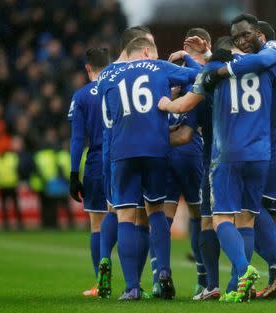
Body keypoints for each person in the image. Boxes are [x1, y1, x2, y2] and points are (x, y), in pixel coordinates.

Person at [204, 14, 276, 300]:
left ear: (260, 36)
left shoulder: (268, 59)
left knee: (248, 206)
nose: (242, 41)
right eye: (237, 38)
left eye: (246, 36)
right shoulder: (271, 57)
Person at [105, 37, 198, 300]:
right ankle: (164, 274)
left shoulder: (111, 72)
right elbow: (201, 76)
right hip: (156, 149)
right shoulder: (161, 67)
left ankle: (132, 287)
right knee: (155, 210)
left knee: (125, 216)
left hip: (122, 150)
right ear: (147, 52)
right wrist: (188, 59)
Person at [96, 26, 155, 300]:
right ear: (137, 46)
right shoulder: (147, 71)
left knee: (120, 212)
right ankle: (137, 280)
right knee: (138, 215)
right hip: (145, 147)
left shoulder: (106, 74)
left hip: (115, 151)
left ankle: (123, 276)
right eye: (148, 45)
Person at [157, 28, 209, 299]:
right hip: (189, 156)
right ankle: (203, 280)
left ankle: (160, 277)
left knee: (161, 219)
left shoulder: (183, 84)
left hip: (175, 156)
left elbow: (185, 132)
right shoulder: (194, 84)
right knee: (199, 217)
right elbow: (187, 134)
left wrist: (154, 140)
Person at [68, 47, 110, 297]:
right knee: (132, 220)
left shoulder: (82, 95)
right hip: (123, 158)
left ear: (88, 68)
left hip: (96, 162)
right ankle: (135, 283)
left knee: (97, 224)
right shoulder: (120, 85)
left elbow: (76, 139)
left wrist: (74, 174)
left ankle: (100, 282)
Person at [0, 136, 24, 230]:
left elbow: (19, 169)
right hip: (2, 186)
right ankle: (7, 224)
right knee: (5, 207)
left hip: (11, 185)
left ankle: (19, 223)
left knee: (15, 206)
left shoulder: (10, 158)